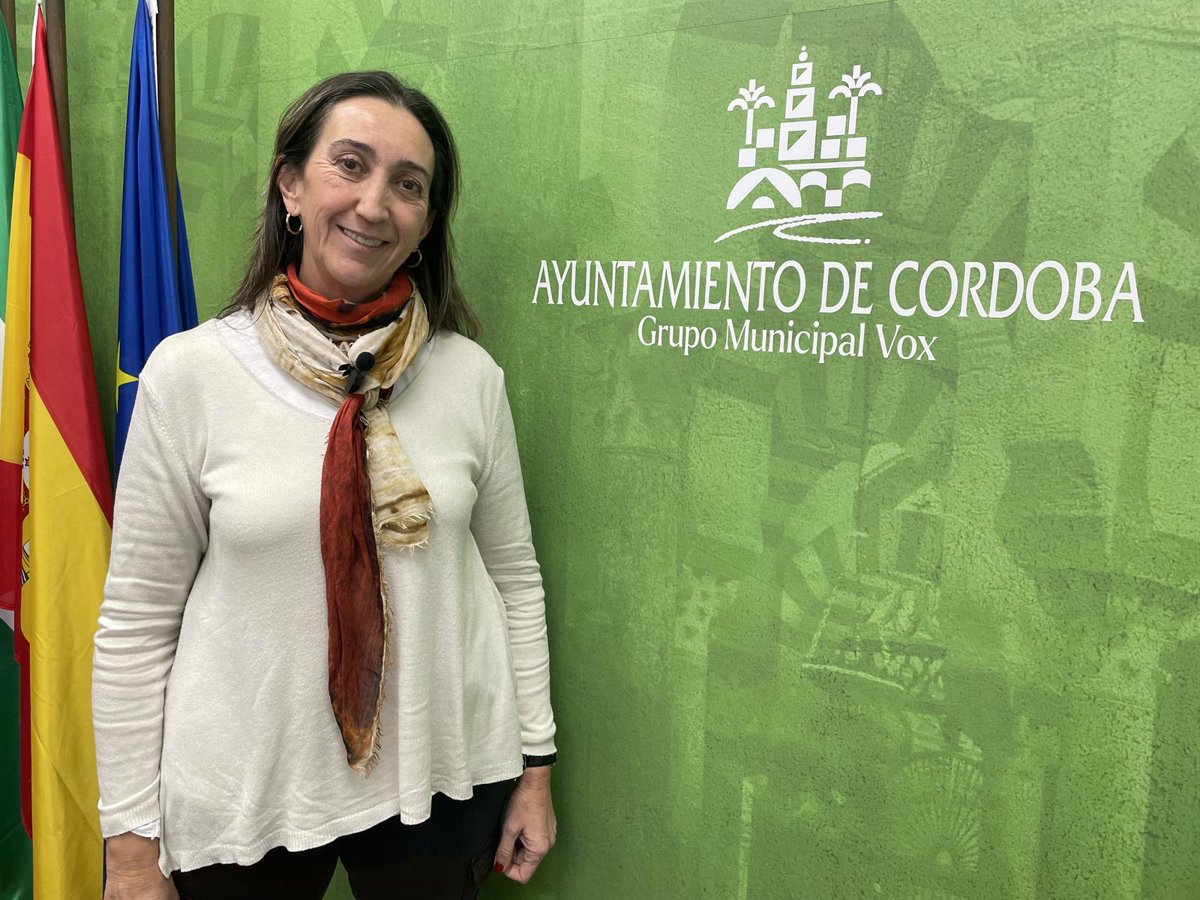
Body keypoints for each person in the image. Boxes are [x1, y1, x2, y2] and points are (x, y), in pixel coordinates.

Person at [93, 71, 557, 900]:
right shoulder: (192, 375)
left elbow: (513, 579)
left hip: (441, 774)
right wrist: (129, 848)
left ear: (425, 225)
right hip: (249, 790)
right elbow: (136, 621)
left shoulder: (470, 378)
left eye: (408, 185)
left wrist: (535, 767)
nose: (374, 204)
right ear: (291, 185)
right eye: (350, 164)